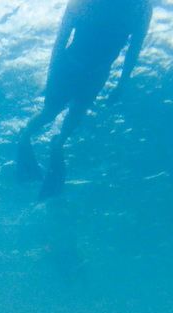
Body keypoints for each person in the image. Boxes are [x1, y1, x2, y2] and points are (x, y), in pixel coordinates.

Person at [17, 0, 153, 200]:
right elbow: (61, 39)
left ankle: (57, 144)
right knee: (52, 112)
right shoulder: (141, 8)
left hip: (89, 71)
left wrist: (121, 85)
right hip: (74, 66)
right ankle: (26, 138)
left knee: (72, 111)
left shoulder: (142, 7)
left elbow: (134, 49)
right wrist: (120, 85)